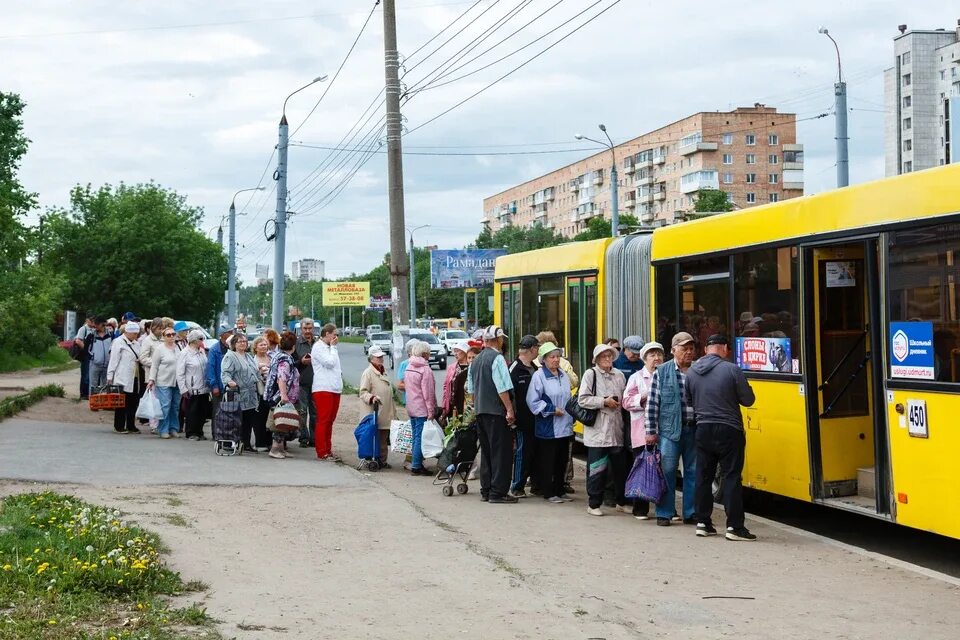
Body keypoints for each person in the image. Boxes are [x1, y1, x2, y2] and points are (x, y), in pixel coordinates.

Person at [687, 335, 757, 541]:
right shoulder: (732, 369)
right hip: (729, 429)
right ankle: (735, 527)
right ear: (725, 348)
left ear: (706, 349)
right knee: (732, 476)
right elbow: (748, 399)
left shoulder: (691, 372)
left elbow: (689, 400)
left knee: (703, 476)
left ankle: (703, 523)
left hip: (702, 429)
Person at [645, 331, 698, 527]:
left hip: (694, 429)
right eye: (685, 348)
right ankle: (664, 512)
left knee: (693, 471)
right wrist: (650, 431)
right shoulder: (663, 371)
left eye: (691, 348)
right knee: (667, 471)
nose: (689, 352)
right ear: (674, 350)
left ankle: (691, 512)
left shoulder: (698, 369)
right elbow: (653, 403)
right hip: (669, 430)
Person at [467, 325, 517, 504]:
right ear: (498, 340)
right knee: (501, 453)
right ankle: (498, 492)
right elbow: (502, 386)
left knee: (487, 452)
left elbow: (471, 389)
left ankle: (486, 490)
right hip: (496, 412)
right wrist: (509, 409)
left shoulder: (475, 360)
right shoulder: (497, 359)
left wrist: (477, 406)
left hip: (481, 411)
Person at [577, 343, 628, 516]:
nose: (607, 359)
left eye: (609, 356)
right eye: (603, 356)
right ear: (596, 359)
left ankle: (621, 501)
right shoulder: (590, 374)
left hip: (616, 429)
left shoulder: (619, 375)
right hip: (598, 430)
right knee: (597, 469)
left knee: (620, 469)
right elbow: (582, 399)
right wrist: (603, 401)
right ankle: (594, 504)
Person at [525, 341, 573, 504]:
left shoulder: (563, 375)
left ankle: (560, 489)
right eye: (552, 357)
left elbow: (568, 397)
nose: (556, 360)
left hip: (564, 426)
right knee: (548, 461)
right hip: (548, 426)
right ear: (543, 360)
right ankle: (548, 491)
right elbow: (532, 401)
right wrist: (552, 409)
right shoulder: (539, 376)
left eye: (558, 356)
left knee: (561, 460)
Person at [621, 341, 664, 520]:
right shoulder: (637, 377)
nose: (656, 358)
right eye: (652, 355)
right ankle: (640, 508)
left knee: (663, 469)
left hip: (664, 430)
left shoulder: (666, 376)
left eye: (659, 354)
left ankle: (665, 508)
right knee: (642, 468)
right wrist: (643, 398)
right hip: (641, 430)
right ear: (645, 359)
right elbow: (626, 402)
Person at [508, 335, 539, 498]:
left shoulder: (534, 368)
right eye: (537, 348)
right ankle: (517, 485)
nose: (538, 351)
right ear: (532, 349)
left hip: (536, 418)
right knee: (522, 452)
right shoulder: (514, 369)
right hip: (522, 419)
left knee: (533, 453)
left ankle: (535, 484)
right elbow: (507, 394)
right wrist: (511, 415)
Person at [265, 331, 302, 459]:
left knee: (282, 422)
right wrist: (284, 395)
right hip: (280, 397)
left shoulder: (280, 356)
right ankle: (275, 449)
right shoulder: (285, 360)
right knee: (279, 423)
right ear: (293, 346)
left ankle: (280, 449)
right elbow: (281, 378)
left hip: (279, 395)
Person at [221, 333, 260, 453]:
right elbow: (225, 373)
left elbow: (254, 371)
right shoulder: (230, 356)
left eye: (244, 341)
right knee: (235, 420)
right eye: (240, 341)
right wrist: (229, 382)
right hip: (237, 393)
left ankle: (246, 443)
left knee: (248, 420)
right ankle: (232, 442)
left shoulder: (248, 356)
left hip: (251, 394)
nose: (243, 343)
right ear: (234, 344)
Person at [359, 345, 396, 468]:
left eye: (381, 356)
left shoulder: (382, 371)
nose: (381, 359)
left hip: (385, 411)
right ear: (371, 359)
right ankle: (375, 460)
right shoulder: (368, 373)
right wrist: (371, 397)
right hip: (374, 411)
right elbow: (363, 392)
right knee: (375, 437)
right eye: (378, 357)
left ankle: (382, 460)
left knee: (383, 437)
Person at [404, 341, 437, 476]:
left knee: (415, 436)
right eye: (428, 353)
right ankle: (416, 465)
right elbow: (428, 393)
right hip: (421, 408)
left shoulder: (409, 367)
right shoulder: (425, 370)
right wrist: (431, 410)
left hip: (411, 406)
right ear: (424, 354)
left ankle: (415, 462)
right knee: (419, 437)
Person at [311, 323, 342, 460]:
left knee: (330, 420)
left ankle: (328, 449)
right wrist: (334, 348)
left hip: (334, 387)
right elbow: (329, 363)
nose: (336, 337)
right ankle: (322, 451)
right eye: (335, 334)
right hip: (323, 387)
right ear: (327, 334)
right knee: (323, 420)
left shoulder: (330, 348)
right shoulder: (318, 347)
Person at [106, 322, 143, 434]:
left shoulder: (136, 344)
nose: (136, 336)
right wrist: (110, 376)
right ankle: (119, 426)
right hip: (122, 376)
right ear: (127, 332)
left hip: (134, 376)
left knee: (133, 401)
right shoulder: (118, 342)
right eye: (134, 333)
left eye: (137, 334)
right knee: (121, 402)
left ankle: (131, 425)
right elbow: (114, 360)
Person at [146, 325, 181, 439]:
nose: (171, 337)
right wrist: (151, 379)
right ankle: (163, 429)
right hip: (163, 381)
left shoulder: (178, 347)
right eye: (168, 335)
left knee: (175, 406)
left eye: (173, 334)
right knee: (165, 406)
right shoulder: (159, 349)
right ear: (163, 337)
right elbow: (154, 366)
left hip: (177, 381)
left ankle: (173, 428)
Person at [177, 329, 210, 441]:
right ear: (193, 340)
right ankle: (191, 432)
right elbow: (180, 372)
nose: (202, 341)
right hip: (192, 387)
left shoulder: (201, 351)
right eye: (200, 339)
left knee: (202, 411)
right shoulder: (184, 353)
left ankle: (199, 431)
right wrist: (183, 389)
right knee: (192, 411)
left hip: (204, 387)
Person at [294, 318, 317, 448]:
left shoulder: (318, 343)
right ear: (301, 329)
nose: (308, 331)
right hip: (301, 382)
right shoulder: (296, 343)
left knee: (315, 412)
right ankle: (303, 437)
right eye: (305, 329)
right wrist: (301, 362)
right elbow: (291, 363)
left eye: (310, 328)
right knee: (302, 411)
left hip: (317, 383)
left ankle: (314, 438)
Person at [205, 327, 234, 422]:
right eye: (228, 332)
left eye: (231, 332)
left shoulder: (233, 348)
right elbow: (210, 368)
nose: (231, 333)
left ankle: (229, 433)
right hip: (219, 386)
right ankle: (216, 434)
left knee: (231, 411)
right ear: (222, 335)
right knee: (217, 412)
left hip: (232, 386)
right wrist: (214, 386)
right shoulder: (214, 350)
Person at [251, 336, 273, 451]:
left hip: (271, 393)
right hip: (259, 393)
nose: (264, 347)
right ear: (255, 347)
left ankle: (269, 442)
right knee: (259, 419)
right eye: (261, 345)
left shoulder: (271, 357)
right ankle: (260, 443)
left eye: (265, 344)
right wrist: (259, 371)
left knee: (270, 418)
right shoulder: (252, 360)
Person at [441, 342, 471, 420]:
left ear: (465, 352)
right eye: (454, 351)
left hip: (467, 404)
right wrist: (444, 405)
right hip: (453, 404)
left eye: (457, 351)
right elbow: (446, 387)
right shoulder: (451, 367)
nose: (455, 354)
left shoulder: (471, 367)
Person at [85, 316, 113, 394]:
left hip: (107, 364)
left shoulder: (111, 334)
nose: (95, 326)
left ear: (103, 324)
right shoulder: (91, 335)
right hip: (95, 364)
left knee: (106, 385)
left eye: (98, 324)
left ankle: (104, 403)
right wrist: (92, 357)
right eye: (95, 324)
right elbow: (86, 349)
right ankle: (93, 403)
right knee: (93, 386)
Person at [74, 315, 96, 399]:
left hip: (92, 355)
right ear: (87, 320)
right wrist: (87, 349)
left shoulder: (94, 329)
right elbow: (78, 340)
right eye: (91, 320)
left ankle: (88, 393)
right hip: (86, 355)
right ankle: (83, 394)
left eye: (94, 320)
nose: (93, 322)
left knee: (90, 374)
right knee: (85, 374)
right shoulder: (83, 329)